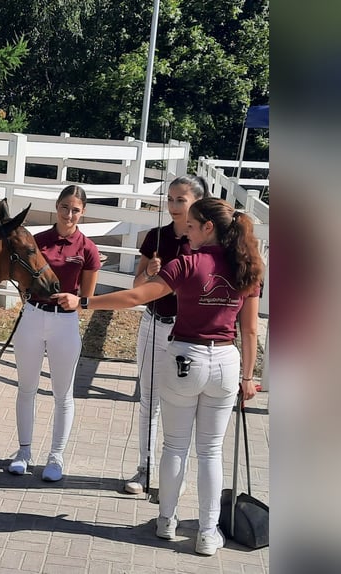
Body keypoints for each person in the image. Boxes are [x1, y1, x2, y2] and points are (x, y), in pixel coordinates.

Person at [59, 197, 263, 556]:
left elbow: (137, 295)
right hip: (226, 364)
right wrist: (248, 377)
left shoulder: (188, 263)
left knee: (174, 446)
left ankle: (166, 521)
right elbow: (249, 331)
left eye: (192, 225)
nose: (186, 230)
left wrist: (85, 302)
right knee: (210, 451)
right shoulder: (246, 267)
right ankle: (206, 531)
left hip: (185, 356)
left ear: (208, 227)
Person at [7, 185, 101, 482]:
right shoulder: (38, 240)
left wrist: (73, 302)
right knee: (27, 388)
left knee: (63, 394)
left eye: (75, 209)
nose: (69, 214)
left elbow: (86, 296)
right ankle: (23, 452)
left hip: (65, 322)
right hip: (33, 316)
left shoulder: (87, 248)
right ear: (56, 207)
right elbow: (23, 276)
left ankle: (56, 457)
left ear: (82, 212)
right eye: (64, 207)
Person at [124, 175, 211, 495]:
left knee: (180, 404)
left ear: (197, 203)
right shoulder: (155, 237)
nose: (173, 206)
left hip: (186, 332)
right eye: (170, 199)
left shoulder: (203, 242)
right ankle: (144, 469)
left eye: (181, 200)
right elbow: (137, 288)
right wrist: (149, 272)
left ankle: (175, 473)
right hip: (152, 322)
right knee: (148, 399)